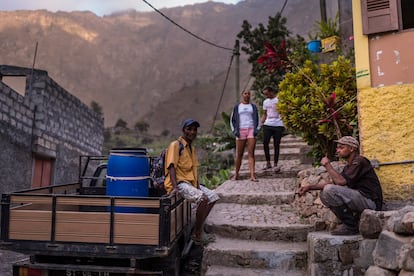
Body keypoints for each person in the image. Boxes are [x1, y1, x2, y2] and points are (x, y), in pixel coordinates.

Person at [298, 136, 383, 235]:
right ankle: (351, 222)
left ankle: (351, 226)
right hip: (361, 200)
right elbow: (335, 183)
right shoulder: (349, 166)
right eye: (337, 148)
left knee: (329, 190)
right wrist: (310, 187)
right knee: (324, 194)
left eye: (341, 147)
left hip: (371, 203)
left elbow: (340, 182)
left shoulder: (360, 161)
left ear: (351, 149)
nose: (337, 150)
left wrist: (327, 165)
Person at [164, 118, 220, 245]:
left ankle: (197, 227)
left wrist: (198, 185)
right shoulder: (175, 145)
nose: (192, 132)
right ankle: (198, 233)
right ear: (184, 130)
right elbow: (171, 166)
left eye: (194, 130)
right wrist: (175, 187)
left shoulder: (191, 149)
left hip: (190, 183)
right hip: (180, 182)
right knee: (203, 199)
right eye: (189, 129)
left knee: (213, 196)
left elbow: (194, 170)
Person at [230, 90, 260, 182]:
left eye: (248, 94)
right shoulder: (237, 107)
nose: (247, 95)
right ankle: (236, 174)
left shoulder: (253, 107)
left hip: (251, 129)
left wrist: (256, 129)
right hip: (240, 130)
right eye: (245, 93)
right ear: (242, 95)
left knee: (251, 153)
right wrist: (234, 131)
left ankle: (252, 175)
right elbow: (232, 120)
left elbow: (258, 118)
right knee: (239, 154)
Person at [260, 86, 285, 172]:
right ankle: (268, 163)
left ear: (271, 92)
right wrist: (261, 123)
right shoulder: (265, 102)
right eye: (265, 94)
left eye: (267, 94)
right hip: (268, 124)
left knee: (276, 144)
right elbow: (265, 113)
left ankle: (275, 163)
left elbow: (283, 112)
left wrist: (285, 123)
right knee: (265, 142)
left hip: (278, 124)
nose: (266, 96)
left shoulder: (279, 100)